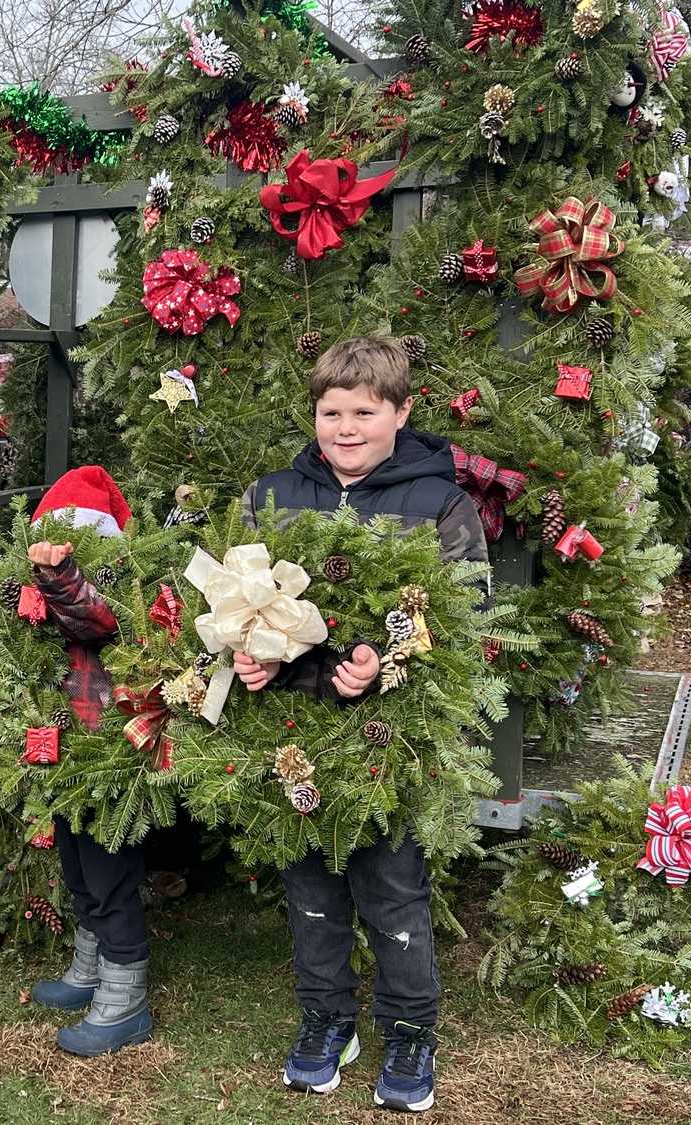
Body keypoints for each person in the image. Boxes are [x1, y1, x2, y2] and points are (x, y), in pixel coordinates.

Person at [235, 334, 488, 1114]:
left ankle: (411, 1028)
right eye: (331, 411)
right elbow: (236, 595)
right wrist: (250, 655)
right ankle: (326, 1016)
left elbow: (465, 610)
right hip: (292, 730)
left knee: (392, 884)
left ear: (402, 411)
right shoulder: (272, 494)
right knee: (308, 877)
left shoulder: (437, 501)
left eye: (364, 411)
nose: (346, 426)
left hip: (389, 738)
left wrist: (388, 657)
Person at [25, 467, 153, 1057]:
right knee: (78, 866)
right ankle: (90, 964)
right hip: (60, 748)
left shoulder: (114, 584)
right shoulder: (34, 586)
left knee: (110, 873)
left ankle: (125, 991)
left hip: (105, 748)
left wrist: (60, 574)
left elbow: (94, 616)